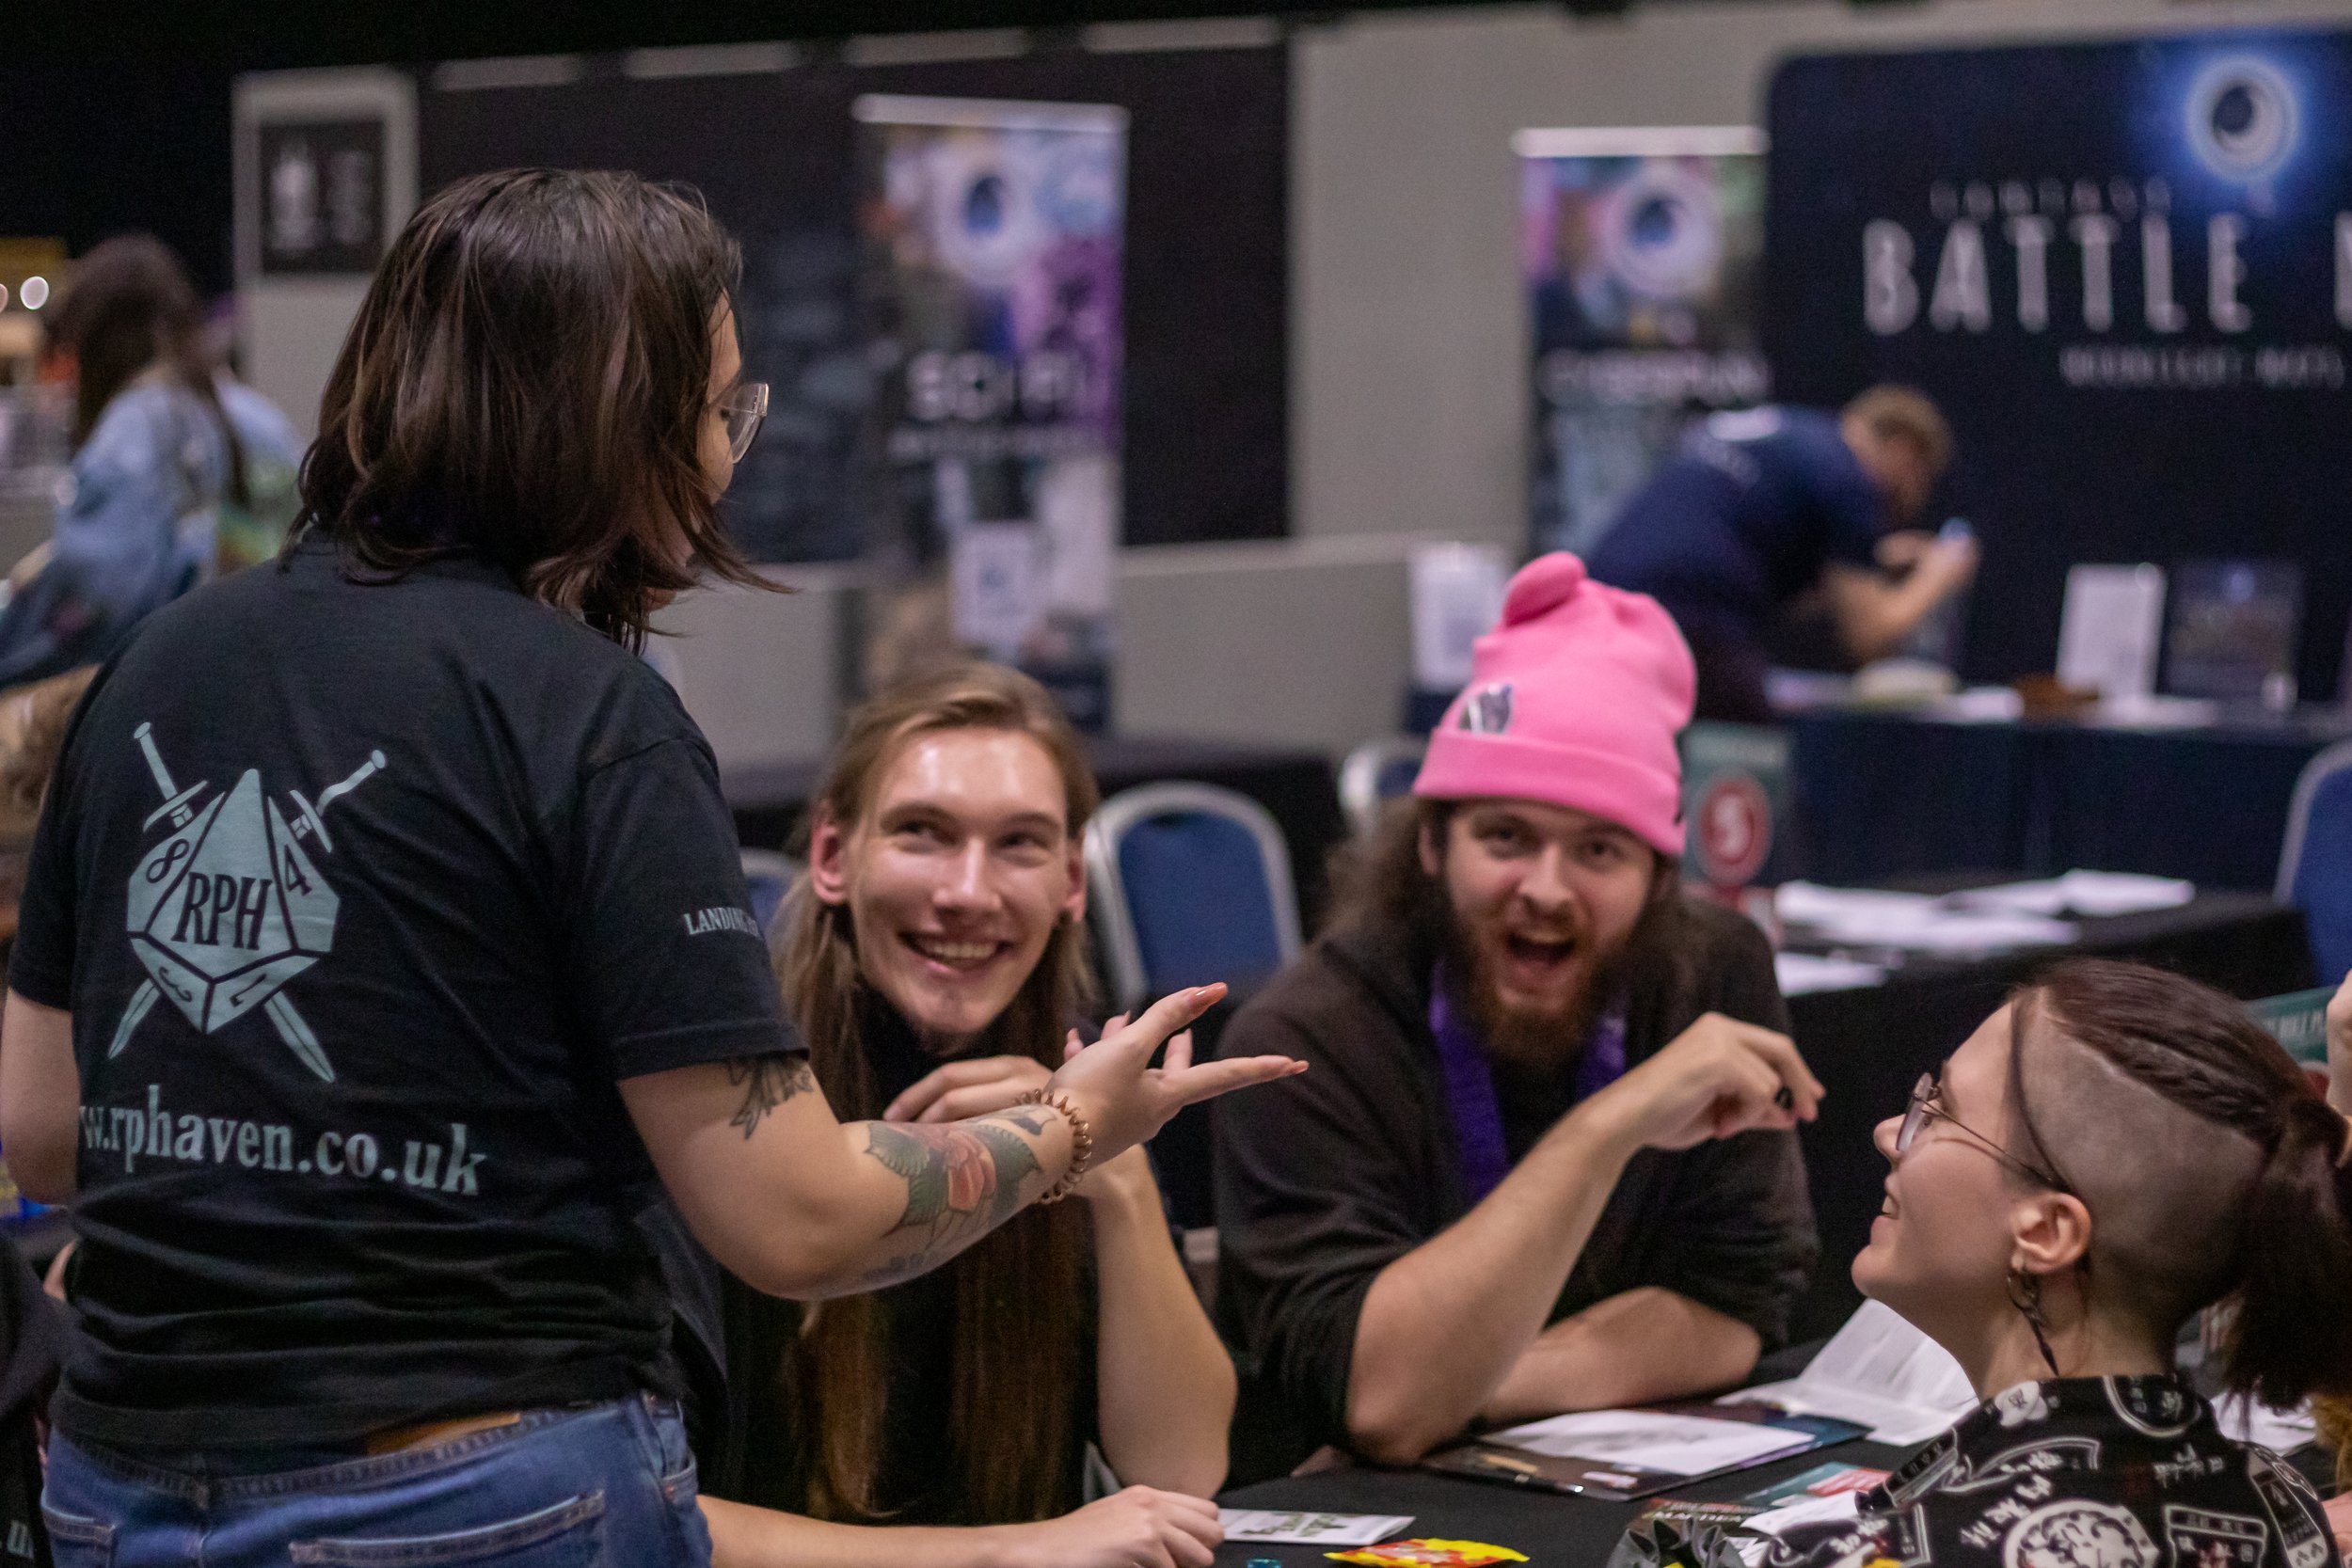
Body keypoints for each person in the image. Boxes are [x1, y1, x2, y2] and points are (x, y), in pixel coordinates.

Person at [0, 168, 1298, 1568]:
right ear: (618, 417)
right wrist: (1072, 1130)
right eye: (718, 407)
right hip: (469, 1496)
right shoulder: (590, 714)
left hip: (120, 1486)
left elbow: (49, 1125)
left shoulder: (148, 673)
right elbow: (798, 1218)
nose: (730, 454)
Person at [1215, 551, 1821, 1475]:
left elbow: (1737, 1305)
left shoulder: (1713, 971)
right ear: (1429, 842)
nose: (1545, 889)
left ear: (1660, 880)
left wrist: (1471, 1382)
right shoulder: (1303, 1039)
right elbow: (1378, 1399)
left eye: (1598, 849)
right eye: (1505, 836)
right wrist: (1609, 1128)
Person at [673, 662, 1235, 1568]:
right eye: (922, 834)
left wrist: (1117, 1179)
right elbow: (655, 1519)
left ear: (1071, 882)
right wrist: (1013, 1551)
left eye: (1019, 844)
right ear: (831, 857)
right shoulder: (723, 1109)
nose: (968, 892)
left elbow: (1184, 1465)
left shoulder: (1080, 1077)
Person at [1629, 959, 2352, 1568]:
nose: (1890, 1133)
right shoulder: (2281, 1506)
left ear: (2045, 1231)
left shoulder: (1894, 1552)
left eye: (1938, 1110)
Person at [0, 235, 302, 689]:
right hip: (271, 686)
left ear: (98, 340)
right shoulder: (260, 419)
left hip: (177, 708)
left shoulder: (134, 433)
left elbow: (89, 602)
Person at [1585, 386, 1975, 722]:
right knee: (1752, 765)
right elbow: (1868, 637)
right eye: (1923, 478)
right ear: (1904, 451)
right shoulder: (1848, 475)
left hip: (1600, 601)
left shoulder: (1791, 438)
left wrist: (1877, 563)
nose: (1918, 498)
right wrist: (1941, 571)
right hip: (1688, 620)